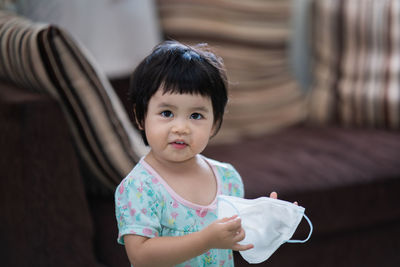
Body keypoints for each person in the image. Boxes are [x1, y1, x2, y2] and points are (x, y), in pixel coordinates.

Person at [115, 40, 280, 266]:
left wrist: (267, 221)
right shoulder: (140, 187)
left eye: (195, 116)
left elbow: (238, 240)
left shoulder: (228, 178)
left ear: (214, 123)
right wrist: (205, 240)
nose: (181, 128)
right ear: (140, 116)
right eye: (166, 113)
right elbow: (141, 255)